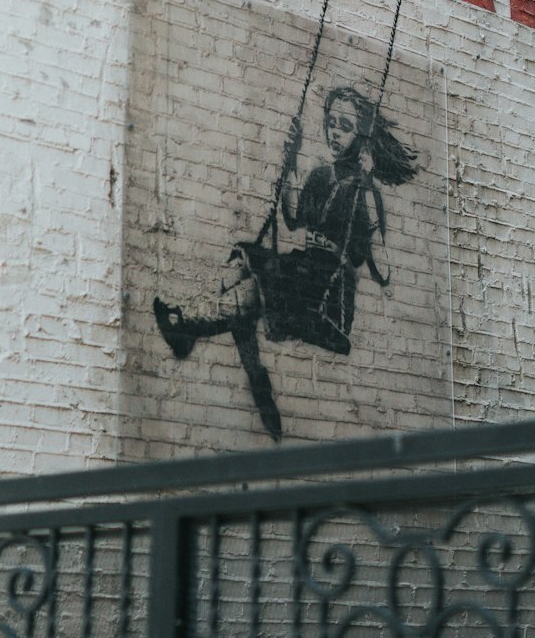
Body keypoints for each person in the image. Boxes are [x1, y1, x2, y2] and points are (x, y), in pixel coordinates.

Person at [153, 86, 418, 440]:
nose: (334, 132)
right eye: (331, 123)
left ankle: (187, 325)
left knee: (249, 296)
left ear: (364, 135)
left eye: (345, 126)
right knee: (245, 258)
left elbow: (381, 270)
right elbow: (293, 218)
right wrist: (291, 159)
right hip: (303, 270)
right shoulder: (320, 175)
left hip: (326, 295)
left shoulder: (365, 191)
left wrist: (368, 195)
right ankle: (226, 354)